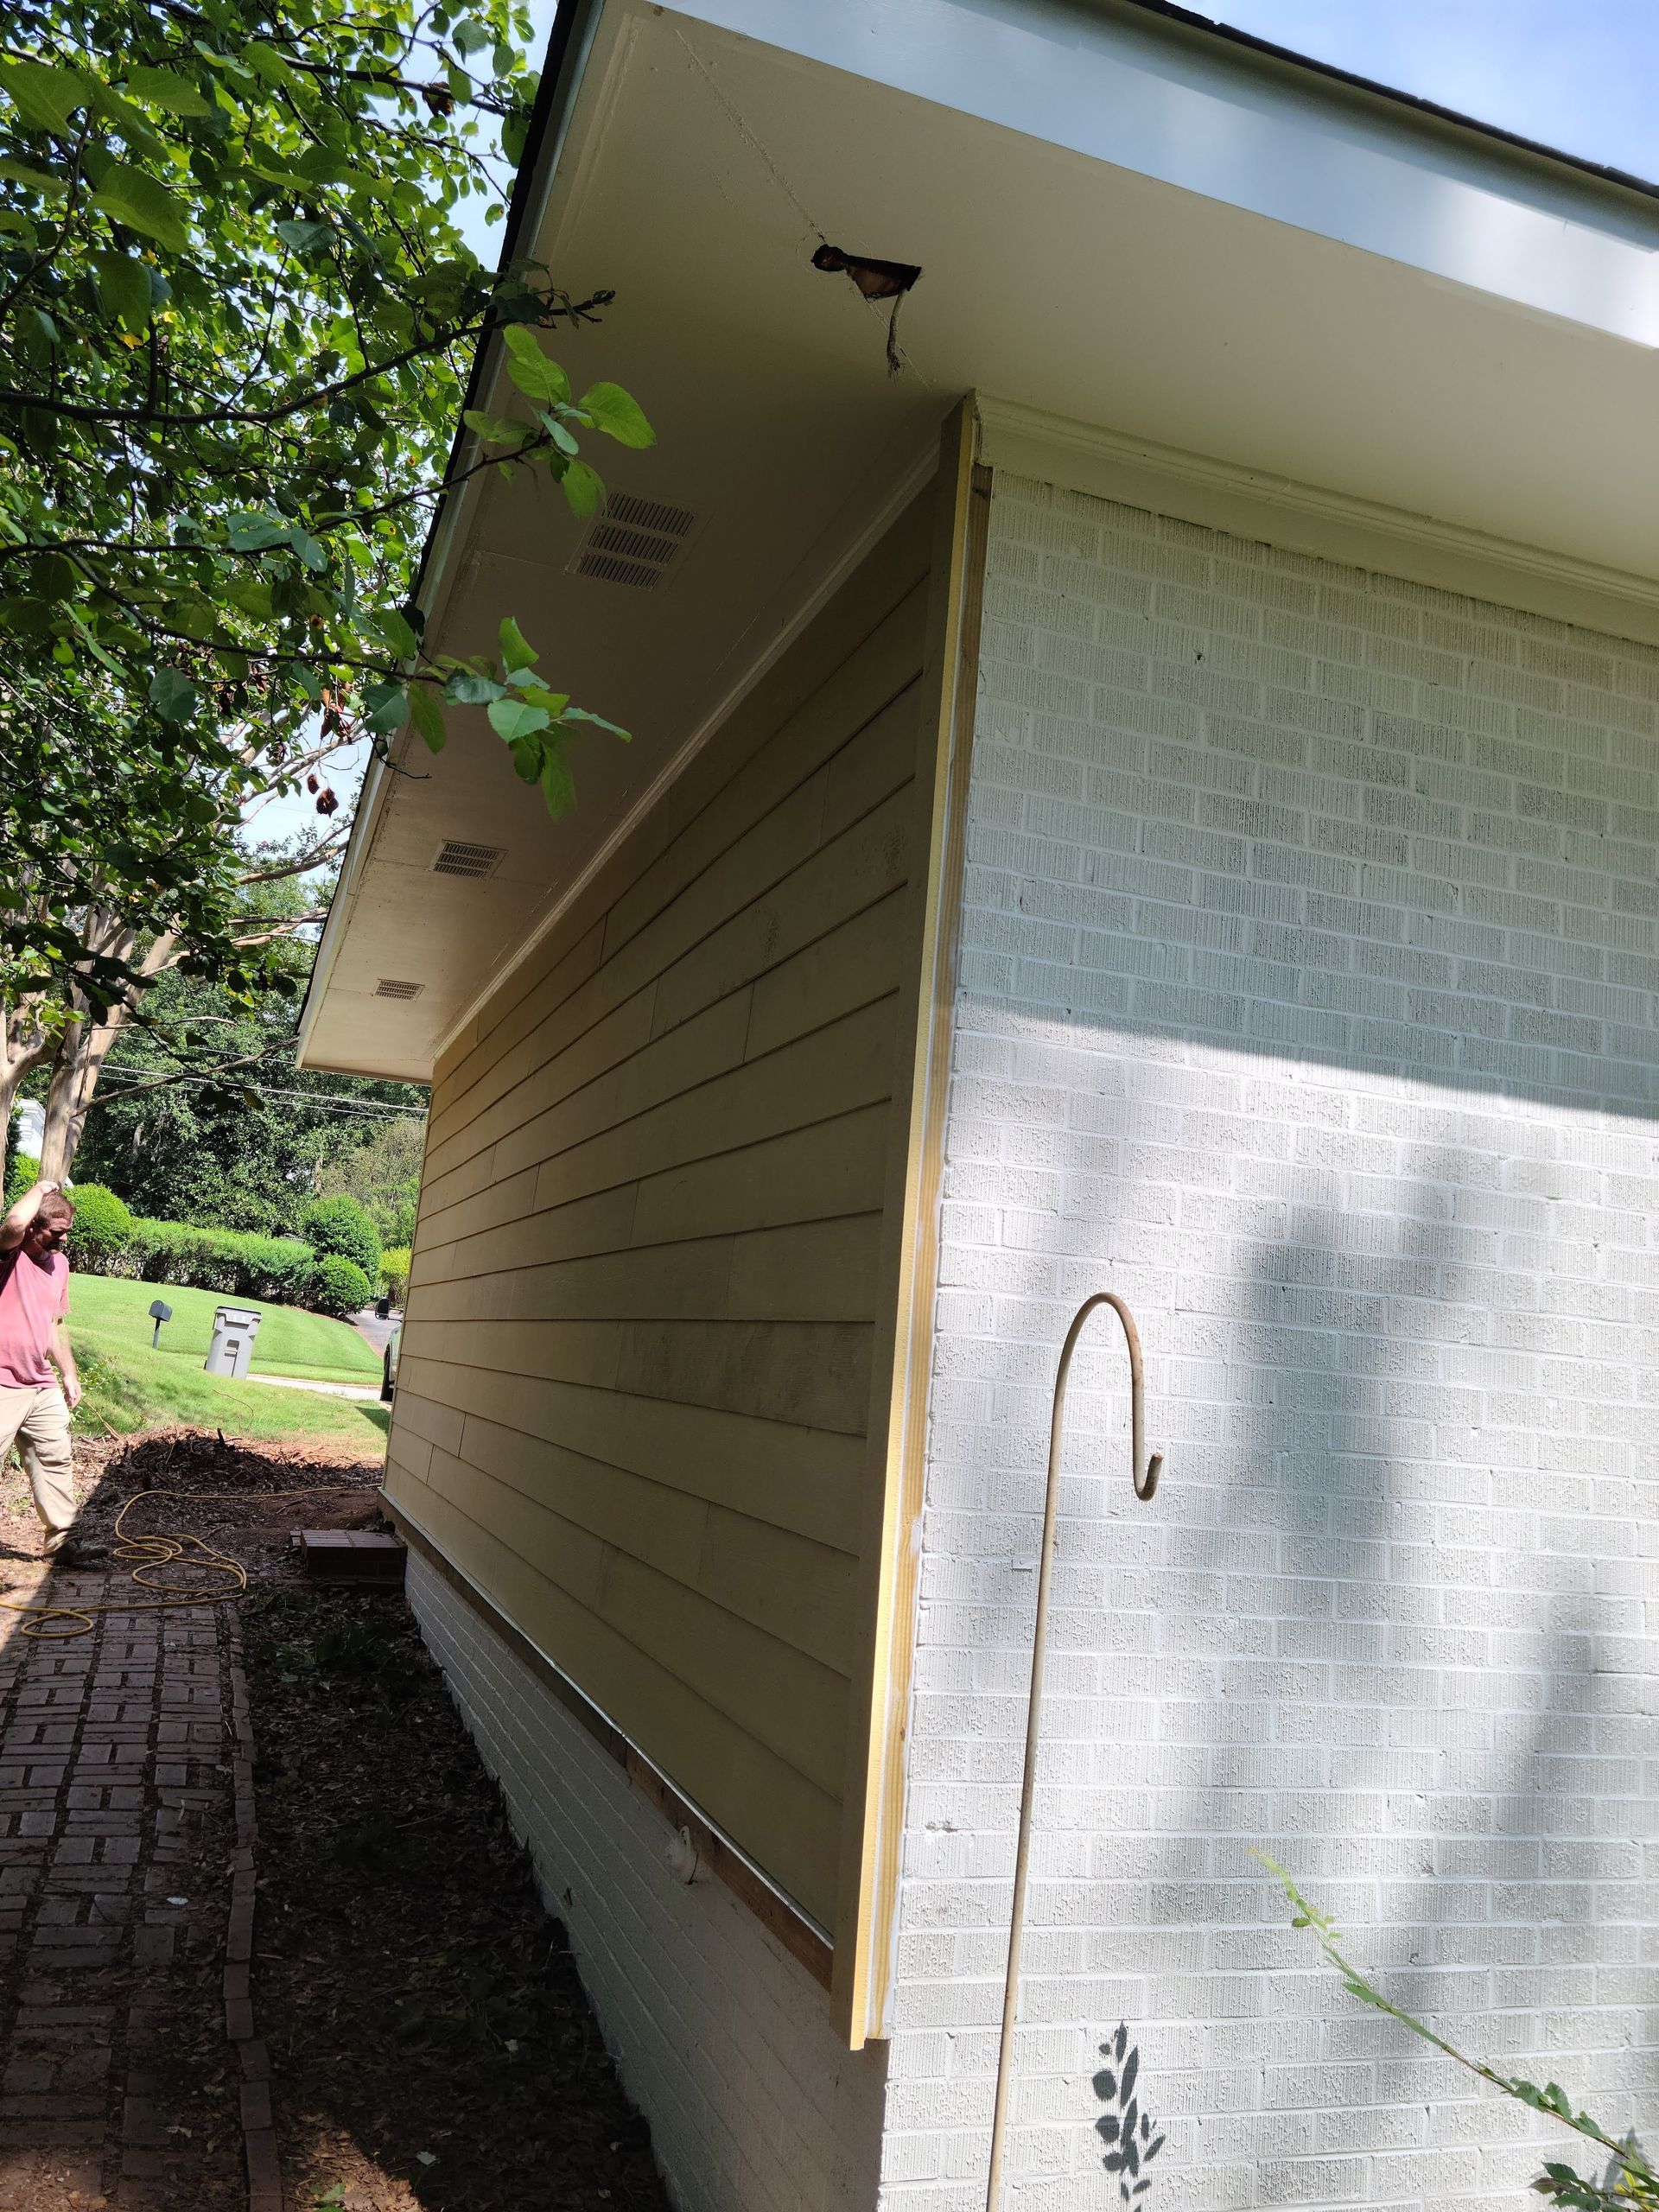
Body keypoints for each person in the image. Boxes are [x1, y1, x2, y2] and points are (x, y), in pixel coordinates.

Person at [0, 1178, 84, 1557]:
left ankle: (61, 1541)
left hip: (40, 1383)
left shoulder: (60, 1265)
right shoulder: (9, 1255)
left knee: (54, 1457)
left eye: (67, 1231)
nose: (63, 1239)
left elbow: (55, 1324)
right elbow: (13, 1224)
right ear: (35, 1226)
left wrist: (69, 1373)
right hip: (3, 1381)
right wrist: (40, 1189)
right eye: (56, 1231)